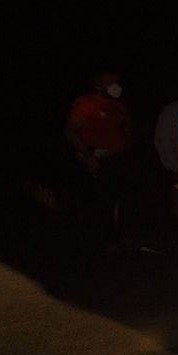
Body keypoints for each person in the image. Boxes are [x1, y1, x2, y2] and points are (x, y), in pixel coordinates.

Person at [64, 71, 133, 247]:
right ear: (98, 85)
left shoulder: (119, 107)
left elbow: (126, 133)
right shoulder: (86, 103)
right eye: (110, 81)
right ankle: (94, 241)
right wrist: (88, 156)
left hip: (116, 159)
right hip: (94, 157)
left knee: (116, 199)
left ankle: (114, 236)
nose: (115, 84)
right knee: (97, 201)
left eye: (116, 81)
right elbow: (71, 131)